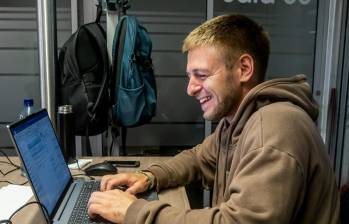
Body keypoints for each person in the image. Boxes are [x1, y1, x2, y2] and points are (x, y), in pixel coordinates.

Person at [87, 14, 340, 224]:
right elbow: (198, 158)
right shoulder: (239, 121)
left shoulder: (274, 130)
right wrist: (149, 176)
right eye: (190, 76)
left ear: (244, 69)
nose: (190, 89)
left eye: (202, 75)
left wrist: (134, 212)